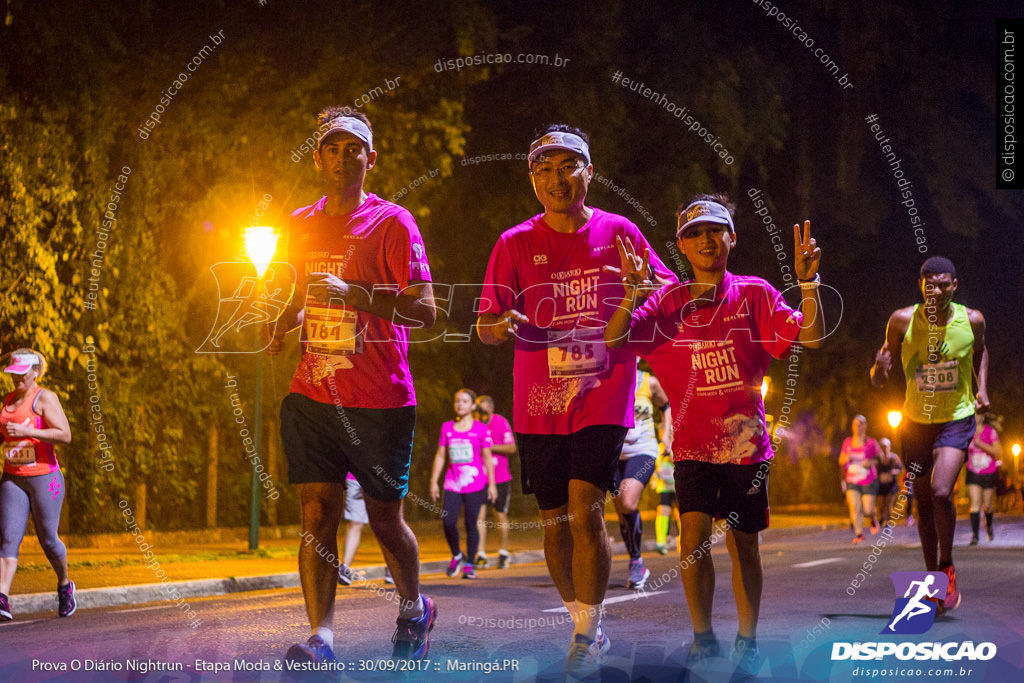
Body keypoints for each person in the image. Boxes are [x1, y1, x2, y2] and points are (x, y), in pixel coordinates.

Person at [477, 124, 674, 674]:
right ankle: (582, 619)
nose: (556, 179)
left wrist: (642, 290)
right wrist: (501, 323)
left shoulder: (621, 232)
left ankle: (589, 632)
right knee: (554, 520)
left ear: (589, 171)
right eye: (544, 170)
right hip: (538, 399)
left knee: (587, 507)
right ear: (532, 181)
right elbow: (486, 328)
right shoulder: (514, 243)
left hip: (603, 393)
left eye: (568, 167)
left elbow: (667, 291)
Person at [605, 194, 825, 673]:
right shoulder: (667, 302)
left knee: (744, 543)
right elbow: (615, 339)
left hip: (747, 446)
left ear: (732, 237)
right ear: (682, 244)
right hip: (692, 447)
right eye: (694, 232)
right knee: (694, 538)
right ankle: (703, 637)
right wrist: (630, 291)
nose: (706, 239)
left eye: (714, 230)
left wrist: (808, 283)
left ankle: (747, 638)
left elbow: (809, 335)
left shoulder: (757, 294)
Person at [266, 108, 438, 662]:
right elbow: (299, 298)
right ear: (317, 159)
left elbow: (425, 311)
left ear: (371, 157)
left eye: (353, 148)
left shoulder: (392, 222)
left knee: (386, 519)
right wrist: (280, 324)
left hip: (380, 397)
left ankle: (415, 606)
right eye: (332, 148)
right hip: (313, 391)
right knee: (317, 511)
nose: (343, 157)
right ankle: (322, 636)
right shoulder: (299, 222)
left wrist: (355, 293)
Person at [871, 256, 989, 615]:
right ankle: (933, 581)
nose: (935, 291)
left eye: (943, 285)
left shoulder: (972, 320)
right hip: (916, 422)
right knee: (923, 501)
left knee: (940, 490)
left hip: (956, 417)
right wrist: (879, 368)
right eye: (929, 284)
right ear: (920, 285)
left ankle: (947, 564)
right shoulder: (902, 320)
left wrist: (981, 388)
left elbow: (981, 353)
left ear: (955, 285)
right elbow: (879, 377)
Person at [0, 350, 75, 621]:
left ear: (35, 372)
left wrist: (29, 431)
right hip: (13, 478)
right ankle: (2, 599)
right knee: (8, 540)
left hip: (45, 478)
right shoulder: (7, 401)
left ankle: (65, 585)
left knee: (48, 540)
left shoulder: (45, 398)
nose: (17, 378)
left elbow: (64, 434)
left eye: (22, 373)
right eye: (13, 373)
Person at [430, 388, 497, 580]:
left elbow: (487, 456)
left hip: (475, 484)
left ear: (473, 405)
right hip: (453, 483)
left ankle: (470, 564)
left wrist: (491, 485)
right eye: (457, 401)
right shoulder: (447, 428)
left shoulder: (481, 430)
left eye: (465, 401)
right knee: (448, 521)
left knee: (470, 524)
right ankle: (457, 555)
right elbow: (441, 455)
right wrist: (434, 481)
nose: (460, 404)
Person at [613, 367, 670, 589]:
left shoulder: (649, 382)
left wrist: (666, 432)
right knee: (621, 510)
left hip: (643, 451)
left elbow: (666, 405)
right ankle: (635, 562)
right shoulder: (608, 380)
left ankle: (636, 560)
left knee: (628, 500)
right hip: (613, 454)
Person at [473, 395, 516, 569]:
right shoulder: (473, 425)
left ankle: (504, 553)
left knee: (500, 514)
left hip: (500, 477)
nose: (481, 414)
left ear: (491, 408)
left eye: (483, 410)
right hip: (480, 478)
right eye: (479, 411)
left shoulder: (500, 422)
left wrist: (490, 447)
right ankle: (481, 554)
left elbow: (511, 447)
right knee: (479, 515)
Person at [839, 415, 882, 543]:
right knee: (854, 506)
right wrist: (844, 459)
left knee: (868, 509)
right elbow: (840, 459)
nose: (857, 427)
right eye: (855, 425)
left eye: (860, 424)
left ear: (865, 426)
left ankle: (873, 518)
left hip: (868, 478)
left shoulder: (871, 442)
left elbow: (880, 458)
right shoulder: (847, 442)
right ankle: (859, 533)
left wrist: (871, 462)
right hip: (852, 479)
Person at [966, 412, 1001, 544]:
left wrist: (981, 445)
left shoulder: (990, 431)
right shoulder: (967, 432)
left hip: (989, 472)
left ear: (982, 417)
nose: (975, 416)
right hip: (973, 472)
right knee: (975, 503)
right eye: (973, 414)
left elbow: (998, 452)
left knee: (988, 505)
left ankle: (989, 526)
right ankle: (975, 535)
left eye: (978, 414)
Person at [653, 448, 679, 555]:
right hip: (664, 486)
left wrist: (670, 457)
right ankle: (661, 542)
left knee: (680, 513)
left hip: (678, 484)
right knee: (663, 511)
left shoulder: (678, 442)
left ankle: (682, 541)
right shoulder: (658, 447)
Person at [876, 437, 905, 527]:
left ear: (889, 447)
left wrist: (894, 471)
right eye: (882, 446)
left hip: (891, 484)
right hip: (881, 484)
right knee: (881, 504)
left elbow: (901, 468)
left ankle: (888, 522)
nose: (884, 448)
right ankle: (882, 518)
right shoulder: (877, 458)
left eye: (885, 446)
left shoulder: (894, 457)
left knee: (888, 504)